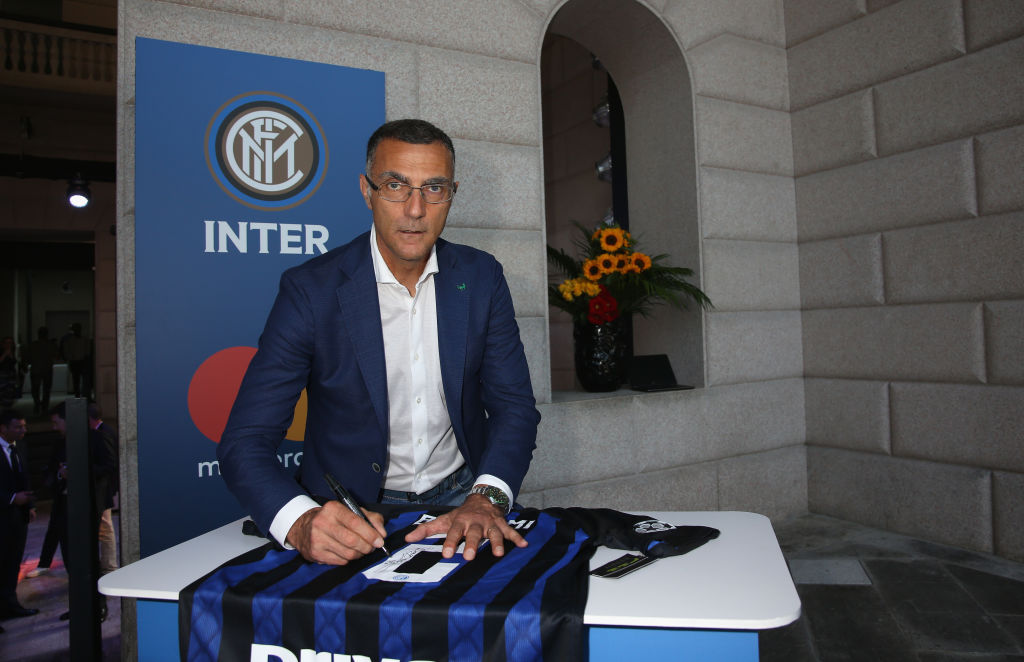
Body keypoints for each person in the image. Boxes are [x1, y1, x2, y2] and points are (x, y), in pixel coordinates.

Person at [219, 119, 540, 567]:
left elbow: (514, 408)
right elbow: (245, 439)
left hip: (465, 502)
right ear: (367, 190)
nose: (415, 209)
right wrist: (300, 521)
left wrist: (486, 497)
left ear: (452, 193)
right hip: (350, 512)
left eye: (434, 188)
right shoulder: (311, 291)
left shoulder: (482, 277)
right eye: (395, 186)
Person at [49, 402, 109, 622]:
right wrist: (59, 475)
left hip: (87, 508)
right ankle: (78, 606)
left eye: (57, 422)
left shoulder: (94, 439)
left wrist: (77, 472)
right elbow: (50, 472)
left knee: (90, 559)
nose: (55, 427)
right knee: (70, 561)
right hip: (64, 509)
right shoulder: (58, 444)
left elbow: (107, 466)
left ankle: (98, 606)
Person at [0, 410, 38, 623]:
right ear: (3, 428)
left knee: (13, 561)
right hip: (3, 514)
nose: (23, 431)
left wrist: (29, 504)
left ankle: (10, 604)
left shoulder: (20, 447)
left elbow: (25, 477)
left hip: (18, 517)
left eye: (24, 426)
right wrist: (12, 498)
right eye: (18, 427)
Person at [88, 403, 118, 573]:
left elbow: (110, 463)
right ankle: (108, 564)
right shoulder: (103, 431)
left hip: (104, 488)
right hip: (103, 488)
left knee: (105, 528)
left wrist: (87, 469)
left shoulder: (103, 433)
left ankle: (109, 565)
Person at [26, 327, 55, 415]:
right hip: (46, 369)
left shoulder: (33, 345)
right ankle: (43, 405)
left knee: (36, 389)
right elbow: (56, 355)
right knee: (46, 389)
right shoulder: (51, 344)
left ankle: (38, 404)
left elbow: (28, 357)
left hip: (36, 370)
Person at [60, 323, 90, 399]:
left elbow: (87, 350)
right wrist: (70, 358)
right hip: (75, 361)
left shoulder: (83, 339)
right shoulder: (69, 340)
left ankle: (84, 395)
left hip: (81, 361)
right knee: (76, 380)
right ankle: (77, 395)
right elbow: (66, 351)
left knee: (83, 380)